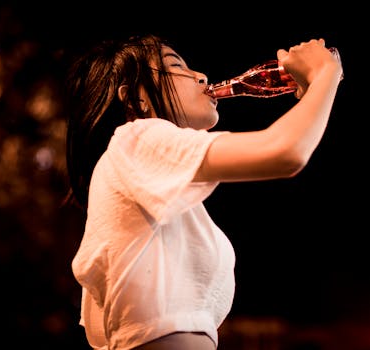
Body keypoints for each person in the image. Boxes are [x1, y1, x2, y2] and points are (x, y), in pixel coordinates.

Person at [64, 33, 343, 350]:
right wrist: (325, 75)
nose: (201, 76)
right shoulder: (137, 137)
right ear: (135, 100)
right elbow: (286, 151)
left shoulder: (148, 181)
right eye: (175, 65)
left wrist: (318, 89)